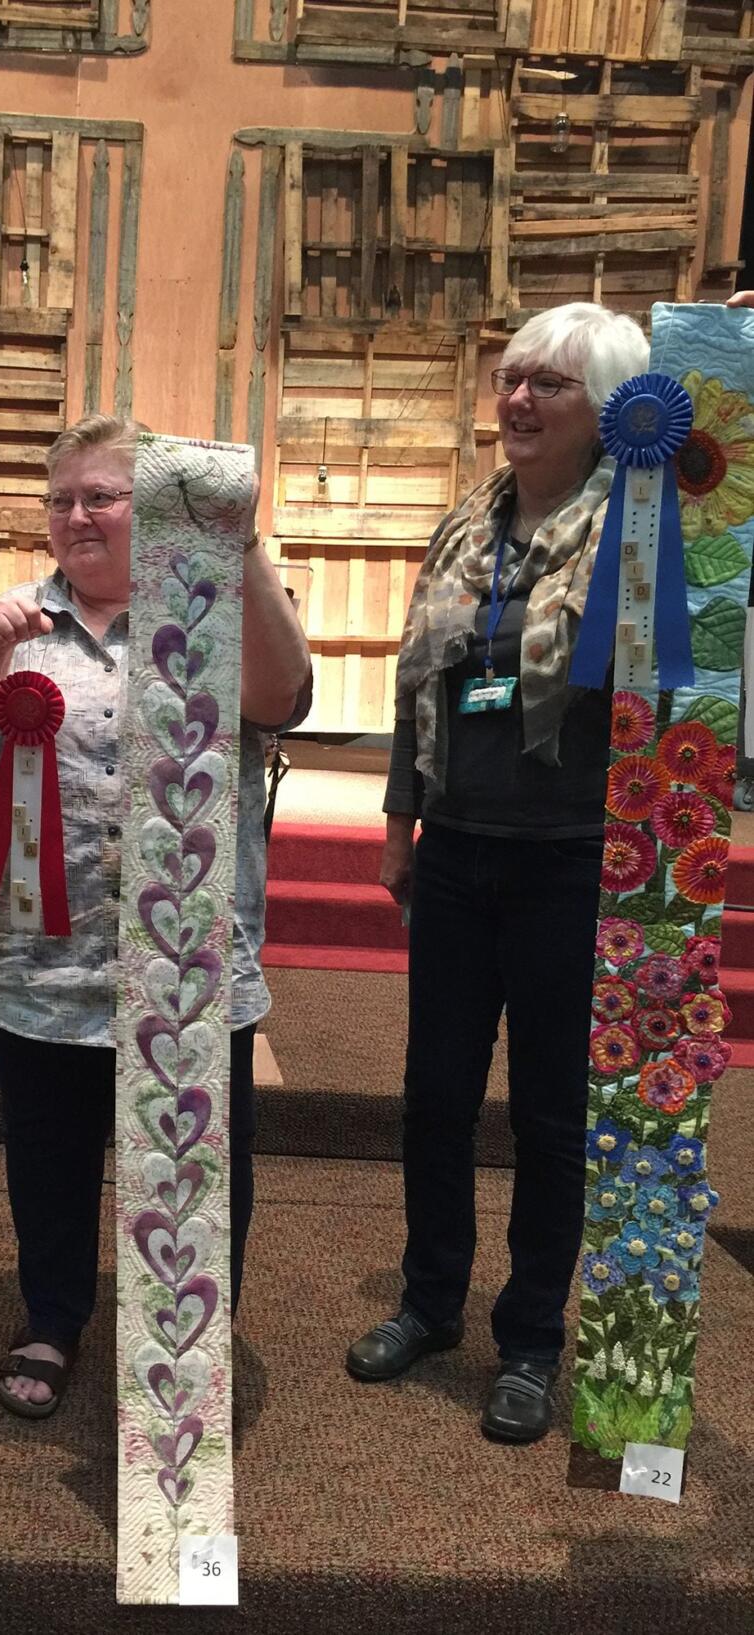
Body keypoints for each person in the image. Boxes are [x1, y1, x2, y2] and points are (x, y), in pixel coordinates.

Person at [0, 412, 311, 1418]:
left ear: (155, 508)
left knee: (188, 1165)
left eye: (103, 495)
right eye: (61, 499)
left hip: (183, 962)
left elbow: (285, 693)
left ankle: (180, 1337)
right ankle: (51, 1317)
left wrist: (236, 545)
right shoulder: (13, 621)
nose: (77, 515)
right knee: (46, 1157)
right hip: (39, 963)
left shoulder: (210, 609)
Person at [345, 302, 652, 1443]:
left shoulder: (636, 532)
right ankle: (428, 1303)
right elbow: (414, 683)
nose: (516, 400)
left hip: (571, 859)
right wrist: (396, 820)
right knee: (431, 1098)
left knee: (547, 1117)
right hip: (461, 854)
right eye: (511, 377)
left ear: (607, 411)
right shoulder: (464, 526)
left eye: (549, 385)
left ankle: (528, 1338)